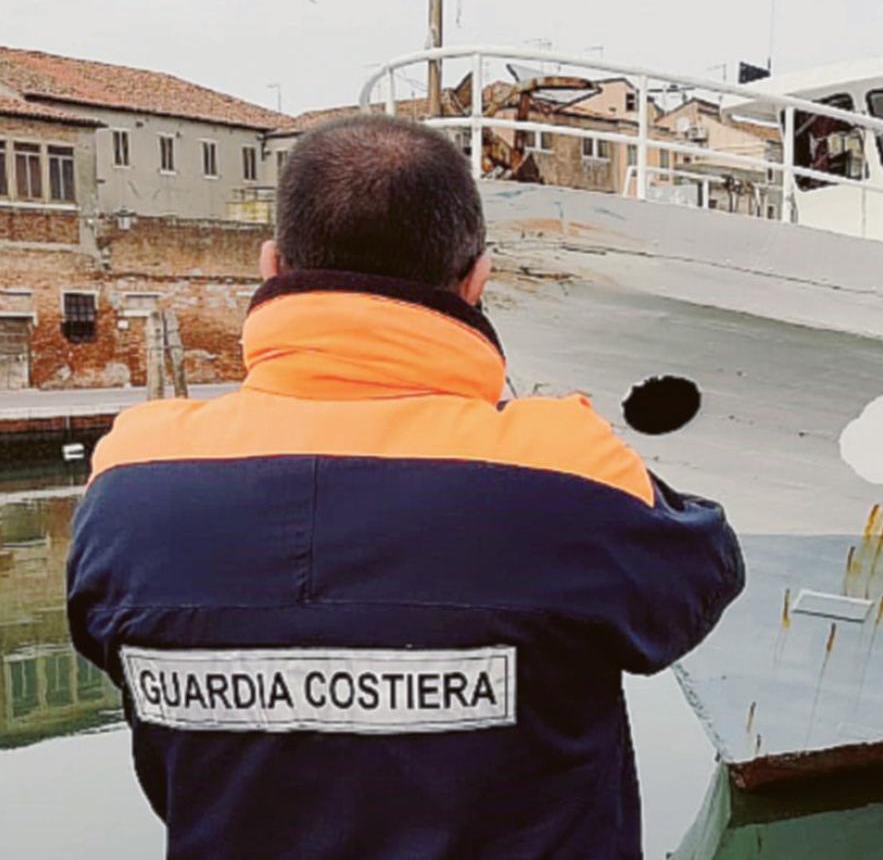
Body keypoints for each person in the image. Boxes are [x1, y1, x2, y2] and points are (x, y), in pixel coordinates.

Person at [67, 115, 744, 860]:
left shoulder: (131, 482)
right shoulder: (565, 470)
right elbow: (701, 576)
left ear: (270, 266)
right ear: (477, 279)